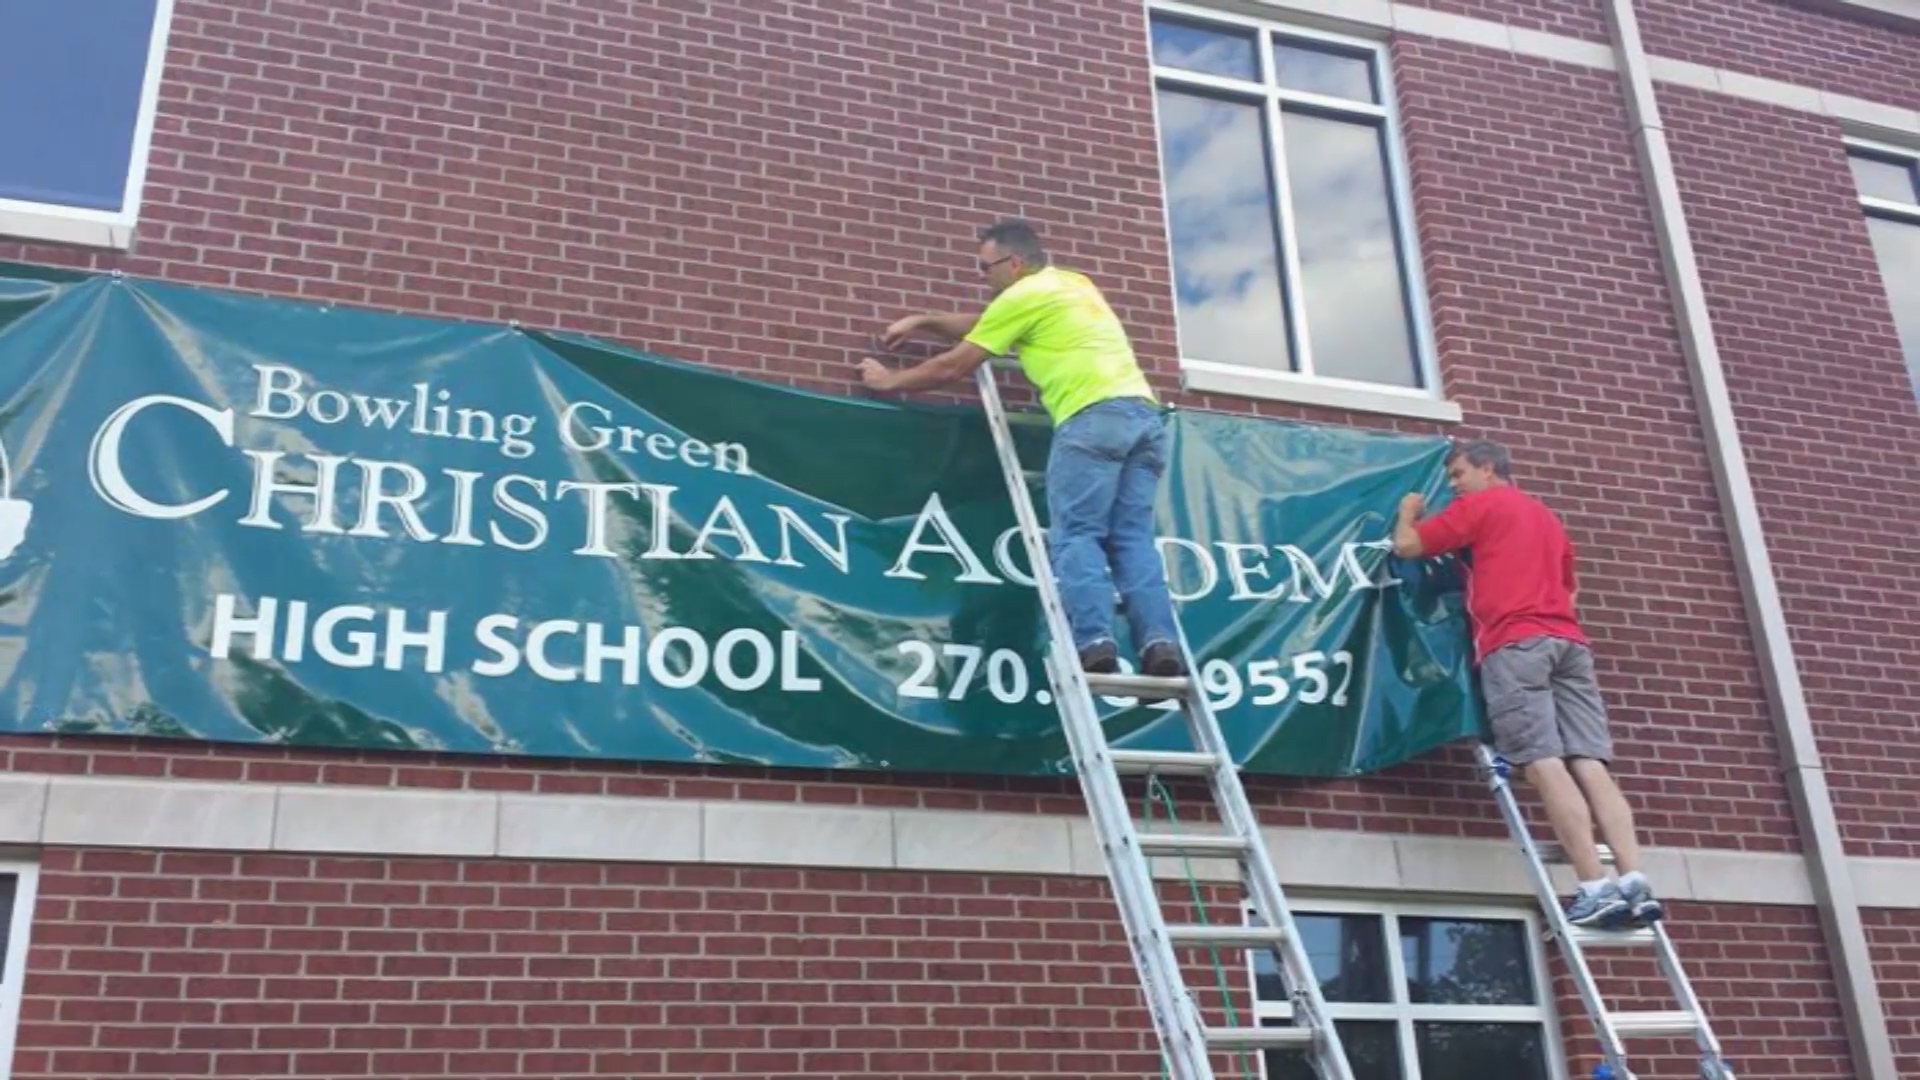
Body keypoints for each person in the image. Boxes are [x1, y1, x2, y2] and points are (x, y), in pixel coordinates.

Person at [857, 218, 1184, 678]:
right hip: (1144, 420)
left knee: (1078, 535)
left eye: (984, 268)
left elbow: (955, 365)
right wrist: (927, 321)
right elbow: (991, 324)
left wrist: (889, 380)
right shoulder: (1072, 284)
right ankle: (1159, 642)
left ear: (1013, 263)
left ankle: (1095, 641)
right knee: (1131, 538)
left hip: (1091, 418)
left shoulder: (1023, 297)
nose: (982, 278)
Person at [1392, 439, 1662, 930]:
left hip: (1515, 645)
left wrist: (1409, 512)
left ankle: (1594, 888)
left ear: (1489, 468)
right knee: (1590, 762)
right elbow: (1569, 588)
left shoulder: (1482, 505)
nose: (1454, 486)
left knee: (1543, 762)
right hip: (1569, 643)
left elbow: (1407, 547)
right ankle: (1634, 881)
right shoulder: (1546, 517)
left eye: (1459, 474)